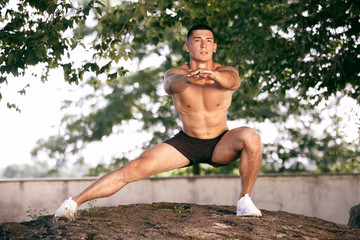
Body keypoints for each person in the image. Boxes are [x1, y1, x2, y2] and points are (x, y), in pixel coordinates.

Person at [54, 24, 262, 219]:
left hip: (220, 144)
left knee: (250, 136)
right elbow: (171, 86)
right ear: (187, 46)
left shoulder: (226, 72)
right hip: (187, 143)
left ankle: (244, 200)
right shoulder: (175, 73)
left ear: (215, 46)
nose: (204, 45)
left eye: (208, 40)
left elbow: (233, 82)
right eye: (198, 40)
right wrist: (189, 78)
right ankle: (72, 203)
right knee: (135, 167)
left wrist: (213, 75)